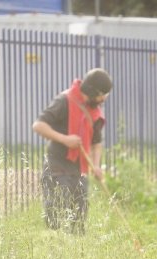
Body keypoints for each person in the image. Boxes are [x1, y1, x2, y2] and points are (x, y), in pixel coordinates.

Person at [32, 68, 111, 234]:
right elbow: (38, 125)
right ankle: (54, 255)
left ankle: (76, 256)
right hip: (57, 168)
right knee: (57, 218)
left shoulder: (94, 110)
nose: (103, 99)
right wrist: (65, 139)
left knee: (79, 220)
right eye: (102, 95)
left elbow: (96, 142)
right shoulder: (64, 101)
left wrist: (96, 166)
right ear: (92, 91)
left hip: (79, 172)